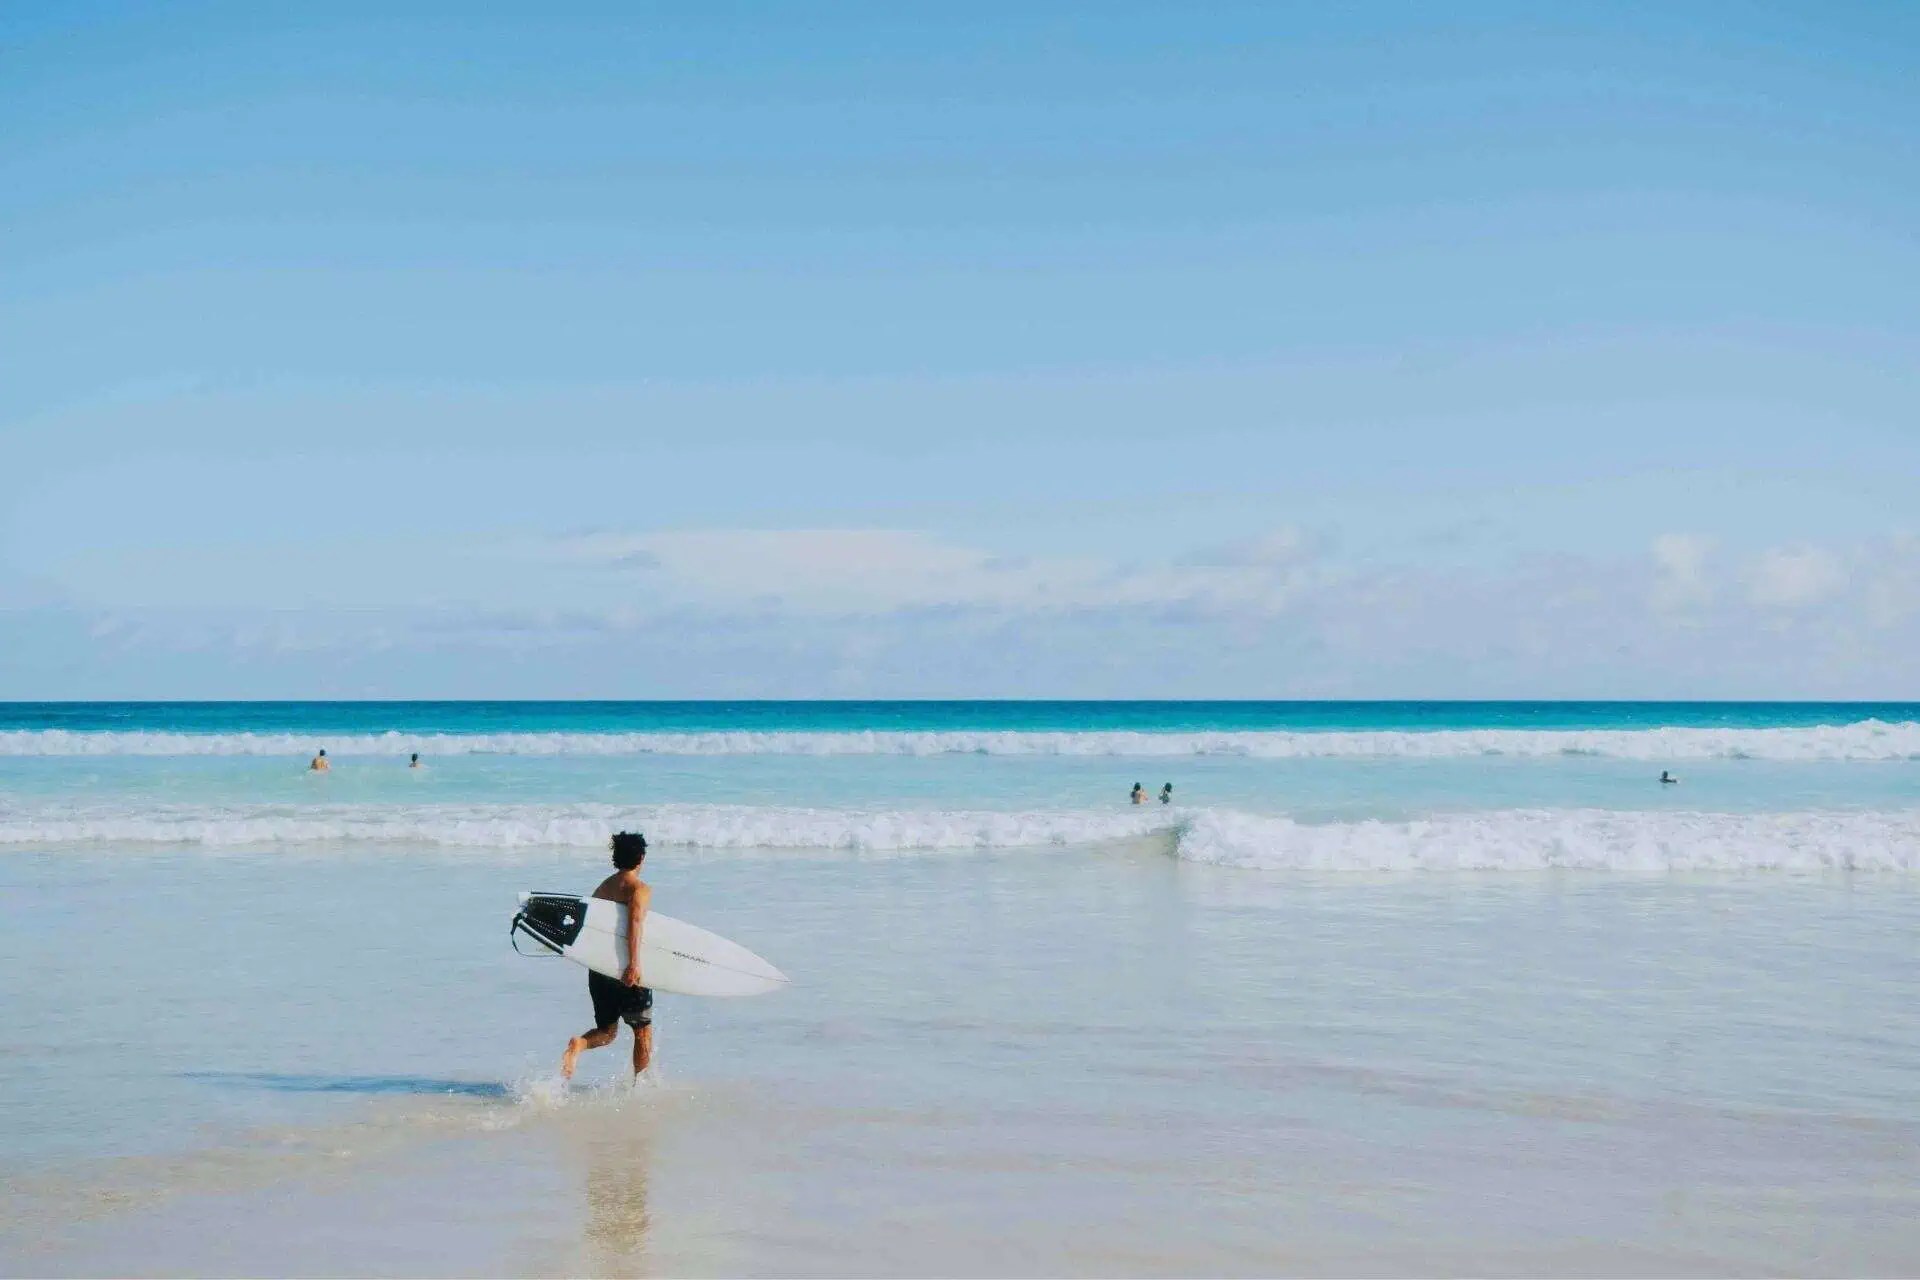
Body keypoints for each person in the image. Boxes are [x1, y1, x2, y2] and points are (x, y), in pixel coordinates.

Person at [561, 832, 654, 1080]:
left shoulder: (602, 887)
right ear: (641, 858)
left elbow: (589, 928)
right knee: (642, 1031)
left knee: (607, 1031)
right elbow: (634, 924)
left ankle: (580, 1044)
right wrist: (633, 964)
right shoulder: (639, 889)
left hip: (600, 968)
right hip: (624, 968)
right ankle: (641, 1085)